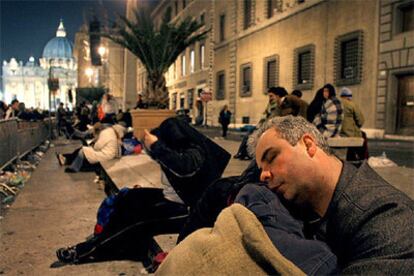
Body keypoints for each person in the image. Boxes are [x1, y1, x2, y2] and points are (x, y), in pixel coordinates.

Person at [246, 115, 414, 274]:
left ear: (308, 145)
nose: (263, 175)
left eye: (272, 157)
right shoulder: (294, 203)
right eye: (261, 168)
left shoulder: (389, 220)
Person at [55, 117, 231, 263]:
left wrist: (156, 146)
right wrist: (151, 145)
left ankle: (84, 251)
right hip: (172, 198)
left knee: (137, 220)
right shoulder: (175, 148)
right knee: (129, 197)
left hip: (188, 210)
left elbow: (185, 167)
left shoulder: (194, 151)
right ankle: (106, 235)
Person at [56, 122, 127, 173]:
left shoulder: (106, 133)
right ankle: (68, 162)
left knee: (82, 150)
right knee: (82, 150)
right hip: (106, 152)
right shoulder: (109, 132)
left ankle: (71, 164)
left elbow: (97, 147)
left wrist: (95, 143)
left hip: (105, 154)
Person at [233, 87, 280, 160]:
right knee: (248, 134)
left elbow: (271, 119)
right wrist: (259, 124)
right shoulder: (270, 105)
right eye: (269, 96)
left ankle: (243, 153)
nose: (270, 98)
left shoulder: (277, 106)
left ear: (277, 96)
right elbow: (264, 116)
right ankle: (242, 153)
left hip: (267, 127)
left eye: (271, 96)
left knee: (251, 136)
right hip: (262, 125)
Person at [339, 87, 368, 161]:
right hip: (348, 133)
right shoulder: (351, 105)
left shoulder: (336, 104)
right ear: (349, 96)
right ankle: (363, 159)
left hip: (338, 133)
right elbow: (361, 121)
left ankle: (352, 156)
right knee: (363, 135)